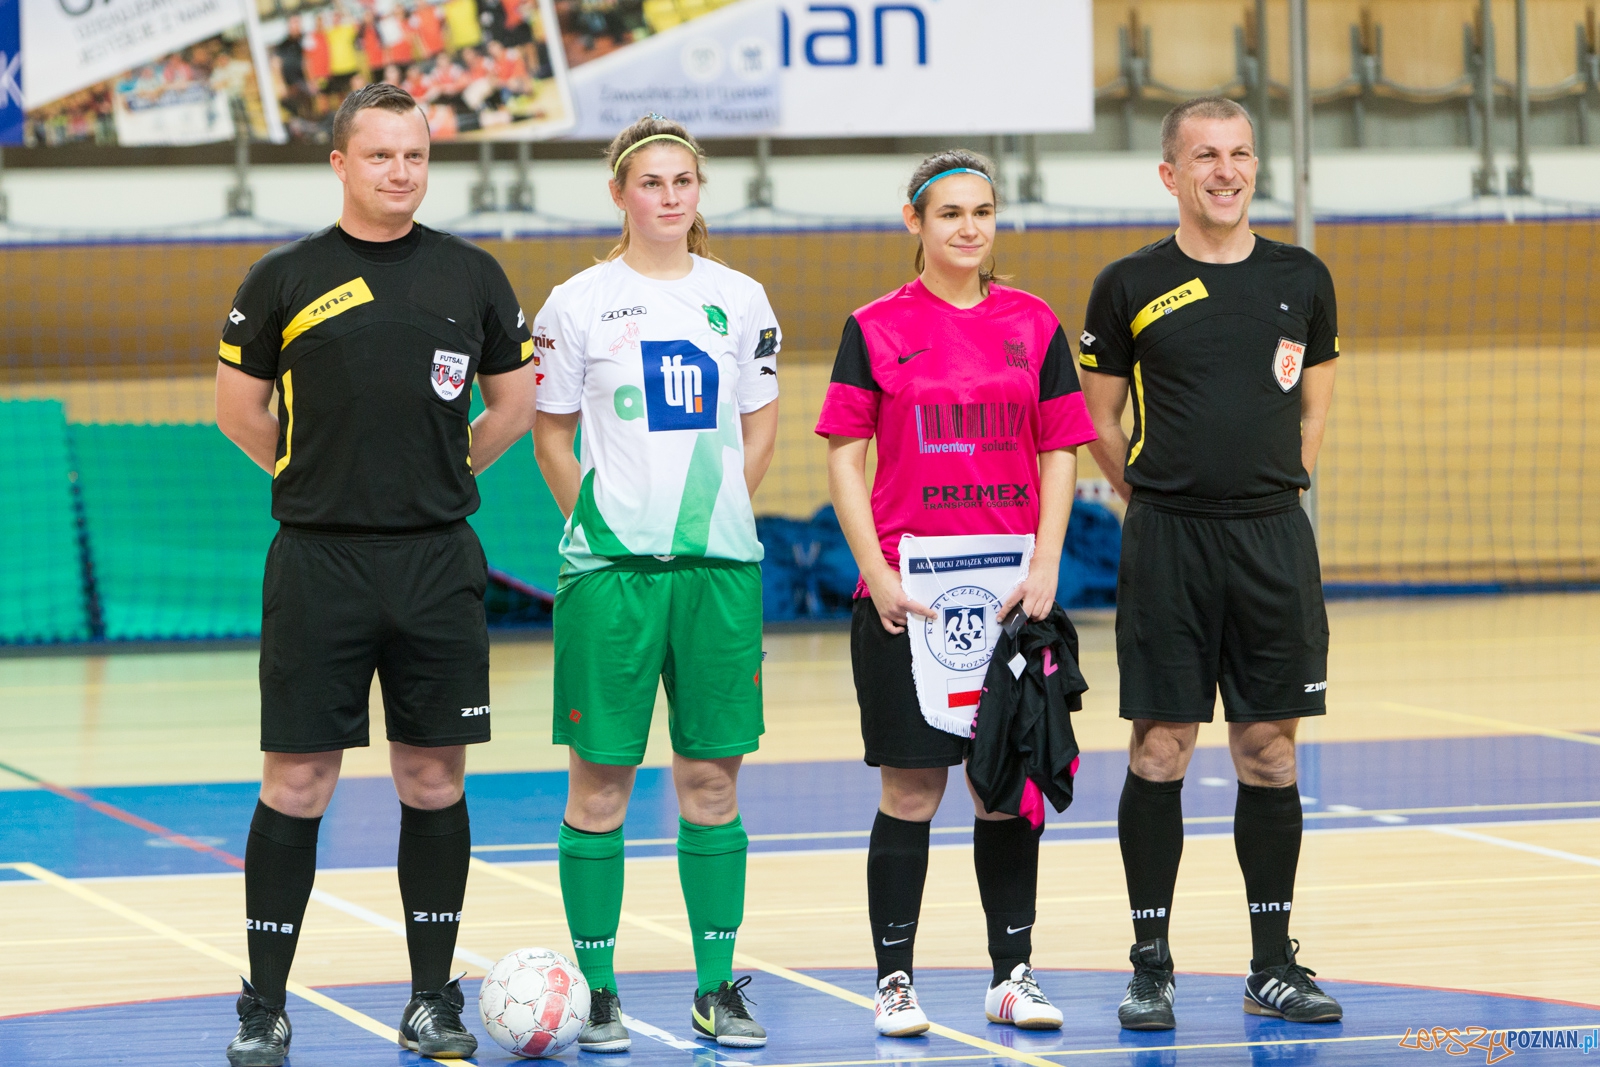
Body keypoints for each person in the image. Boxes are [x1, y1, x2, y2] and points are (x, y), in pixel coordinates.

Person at [214, 82, 537, 1066]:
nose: (401, 172)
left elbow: (512, 405)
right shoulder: (283, 276)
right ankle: (263, 1003)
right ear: (340, 164)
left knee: (433, 777)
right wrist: (313, 477)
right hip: (318, 560)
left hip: (437, 561)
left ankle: (431, 998)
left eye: (416, 156)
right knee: (299, 778)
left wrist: (442, 476)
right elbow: (238, 407)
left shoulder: (472, 274)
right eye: (382, 155)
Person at [817, 149, 1098, 1037]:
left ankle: (1011, 974)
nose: (968, 227)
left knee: (1002, 788)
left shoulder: (1035, 323)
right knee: (911, 790)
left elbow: (1061, 448)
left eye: (981, 211)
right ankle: (894, 980)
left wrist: (1048, 561)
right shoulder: (874, 327)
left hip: (1012, 591)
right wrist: (878, 570)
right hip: (911, 594)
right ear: (915, 223)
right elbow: (842, 454)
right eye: (949, 214)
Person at [1077, 96, 1343, 1031]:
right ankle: (1151, 963)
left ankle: (1272, 962)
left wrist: (1276, 486)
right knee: (1161, 748)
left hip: (1273, 539)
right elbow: (1098, 421)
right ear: (1170, 174)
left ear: (1255, 166)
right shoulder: (1128, 282)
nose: (1224, 170)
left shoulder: (1303, 276)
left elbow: (1313, 408)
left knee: (1270, 753)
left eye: (1238, 154)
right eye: (1204, 156)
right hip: (1170, 542)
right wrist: (1150, 493)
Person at [530, 115, 781, 1052]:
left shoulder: (741, 298)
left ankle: (717, 985)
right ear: (620, 195)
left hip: (718, 575)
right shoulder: (578, 302)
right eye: (652, 183)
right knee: (600, 787)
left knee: (712, 780)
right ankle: (599, 989)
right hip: (611, 579)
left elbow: (759, 426)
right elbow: (552, 431)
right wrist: (591, 516)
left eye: (684, 182)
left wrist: (716, 515)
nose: (670, 197)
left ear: (697, 193)